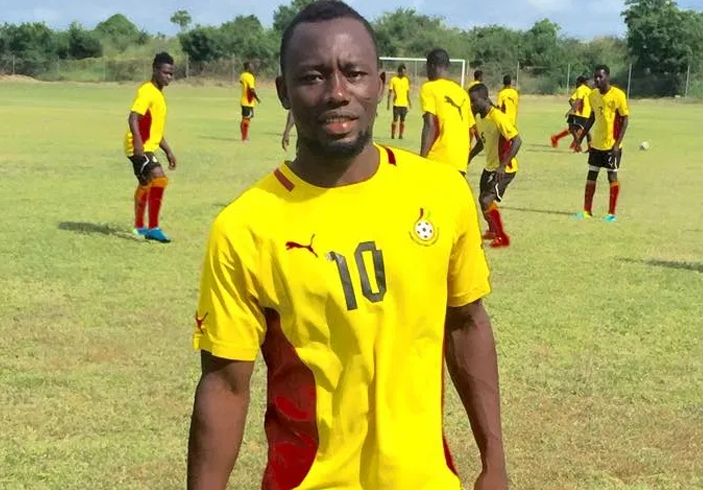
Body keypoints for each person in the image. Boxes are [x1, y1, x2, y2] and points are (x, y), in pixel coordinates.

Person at [187, 2, 509, 490]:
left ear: (380, 85)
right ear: (284, 93)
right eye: (313, 77)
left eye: (353, 73)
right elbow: (225, 385)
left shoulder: (441, 194)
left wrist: (495, 462)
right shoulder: (244, 226)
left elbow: (467, 325)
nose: (337, 93)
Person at [124, 52, 177, 243]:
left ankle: (139, 227)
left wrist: (168, 150)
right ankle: (153, 228)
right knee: (159, 178)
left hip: (147, 145)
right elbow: (133, 117)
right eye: (165, 73)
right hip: (139, 146)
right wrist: (138, 143)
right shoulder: (147, 91)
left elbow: (155, 129)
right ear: (155, 70)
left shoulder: (159, 95)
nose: (168, 77)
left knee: (146, 184)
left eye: (171, 74)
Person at [468, 83, 521, 248]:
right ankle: (492, 230)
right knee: (482, 199)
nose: (472, 105)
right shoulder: (480, 118)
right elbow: (482, 142)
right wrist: (469, 156)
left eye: (474, 101)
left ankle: (501, 235)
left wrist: (502, 165)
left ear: (484, 99)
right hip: (490, 166)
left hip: (505, 168)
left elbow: (517, 141)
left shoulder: (498, 116)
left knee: (486, 200)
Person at [574, 65, 630, 222]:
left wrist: (617, 144)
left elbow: (625, 120)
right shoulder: (593, 95)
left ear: (608, 77)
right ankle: (586, 211)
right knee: (591, 175)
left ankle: (611, 213)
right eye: (595, 77)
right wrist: (581, 136)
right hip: (596, 144)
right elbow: (592, 117)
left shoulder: (618, 95)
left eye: (600, 76)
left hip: (611, 145)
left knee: (612, 176)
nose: (597, 79)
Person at [419, 48, 476, 175]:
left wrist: (422, 159)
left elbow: (430, 125)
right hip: (460, 162)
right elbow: (471, 130)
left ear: (432, 66)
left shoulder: (429, 87)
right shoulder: (462, 93)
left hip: (439, 159)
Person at [551, 76, 592, 152]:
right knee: (585, 131)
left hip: (579, 113)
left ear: (580, 82)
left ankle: (577, 147)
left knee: (573, 129)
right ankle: (589, 148)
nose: (576, 84)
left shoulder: (580, 89)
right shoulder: (589, 90)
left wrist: (572, 109)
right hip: (587, 113)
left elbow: (574, 100)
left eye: (577, 82)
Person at [386, 63, 411, 139]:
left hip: (404, 104)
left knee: (403, 121)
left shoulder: (406, 80)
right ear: (399, 72)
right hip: (396, 104)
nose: (404, 73)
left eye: (405, 72)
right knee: (395, 120)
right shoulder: (393, 80)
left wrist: (409, 102)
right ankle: (393, 134)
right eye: (403, 72)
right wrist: (388, 103)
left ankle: (401, 135)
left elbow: (407, 92)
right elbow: (390, 91)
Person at [239, 61, 260, 142]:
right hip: (248, 101)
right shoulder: (250, 77)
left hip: (243, 100)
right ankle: (244, 138)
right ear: (248, 68)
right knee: (246, 120)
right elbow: (251, 89)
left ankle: (245, 136)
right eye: (251, 67)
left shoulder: (242, 76)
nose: (253, 68)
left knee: (245, 119)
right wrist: (257, 98)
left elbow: (242, 82)